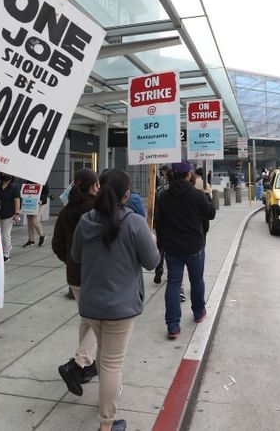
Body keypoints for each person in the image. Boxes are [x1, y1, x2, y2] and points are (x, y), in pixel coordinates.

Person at [71, 169, 160, 431]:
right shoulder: (133, 222)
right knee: (112, 363)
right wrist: (151, 238)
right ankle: (107, 424)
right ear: (127, 194)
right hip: (120, 306)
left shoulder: (86, 220)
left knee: (103, 355)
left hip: (91, 303)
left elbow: (75, 256)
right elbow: (152, 261)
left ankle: (106, 399)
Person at [155, 160, 215, 339]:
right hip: (194, 246)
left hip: (172, 247)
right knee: (197, 280)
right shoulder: (197, 195)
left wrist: (161, 244)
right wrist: (208, 196)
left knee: (173, 283)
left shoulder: (164, 196)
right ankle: (198, 313)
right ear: (189, 174)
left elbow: (160, 222)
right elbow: (211, 213)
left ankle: (173, 326)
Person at [53, 168, 101, 395]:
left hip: (74, 276)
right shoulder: (96, 209)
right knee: (100, 321)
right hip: (93, 275)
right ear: (94, 187)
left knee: (87, 319)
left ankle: (84, 366)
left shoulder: (66, 211)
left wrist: (71, 261)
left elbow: (57, 246)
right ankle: (77, 364)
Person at [0, 173, 20, 260]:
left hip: (9, 214)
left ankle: (6, 254)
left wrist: (16, 214)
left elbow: (17, 200)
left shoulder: (14, 187)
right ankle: (0, 251)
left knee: (5, 235)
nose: (4, 174)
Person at [24, 182, 49, 247]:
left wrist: (42, 200)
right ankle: (31, 240)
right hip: (30, 202)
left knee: (35, 221)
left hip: (40, 203)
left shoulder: (43, 179)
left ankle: (42, 235)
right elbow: (25, 188)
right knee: (29, 221)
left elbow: (46, 192)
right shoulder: (29, 179)